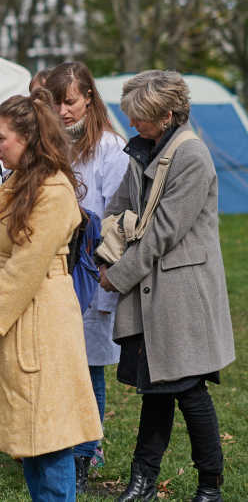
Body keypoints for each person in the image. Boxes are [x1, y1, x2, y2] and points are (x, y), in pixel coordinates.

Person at [0, 88, 102, 501]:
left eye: (2, 138)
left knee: (50, 439)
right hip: (18, 321)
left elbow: (25, 267)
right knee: (32, 442)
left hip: (42, 323)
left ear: (29, 139)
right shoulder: (17, 182)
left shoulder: (53, 191)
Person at [98, 71, 234, 502]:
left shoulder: (191, 156)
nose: (132, 123)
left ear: (167, 115)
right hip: (149, 292)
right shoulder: (148, 148)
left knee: (189, 393)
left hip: (180, 295)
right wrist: (106, 243)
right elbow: (120, 204)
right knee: (155, 391)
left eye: (139, 116)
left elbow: (162, 234)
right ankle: (143, 480)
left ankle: (210, 484)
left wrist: (115, 275)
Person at [45, 61, 128, 491]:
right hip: (56, 271)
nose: (63, 111)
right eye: (57, 102)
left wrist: (102, 263)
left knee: (88, 365)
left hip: (93, 271)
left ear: (89, 98)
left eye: (71, 102)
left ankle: (85, 450)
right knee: (60, 361)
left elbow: (118, 213)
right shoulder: (56, 145)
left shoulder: (112, 149)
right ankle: (63, 441)